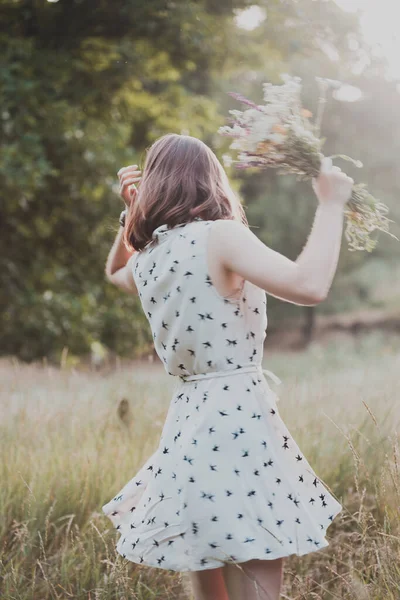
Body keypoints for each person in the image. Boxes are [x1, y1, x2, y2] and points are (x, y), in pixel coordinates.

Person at [102, 133, 353, 600]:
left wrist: (129, 217)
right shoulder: (219, 236)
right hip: (238, 424)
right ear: (210, 180)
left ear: (156, 186)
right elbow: (310, 285)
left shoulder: (152, 257)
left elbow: (114, 272)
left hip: (186, 431)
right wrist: (331, 205)